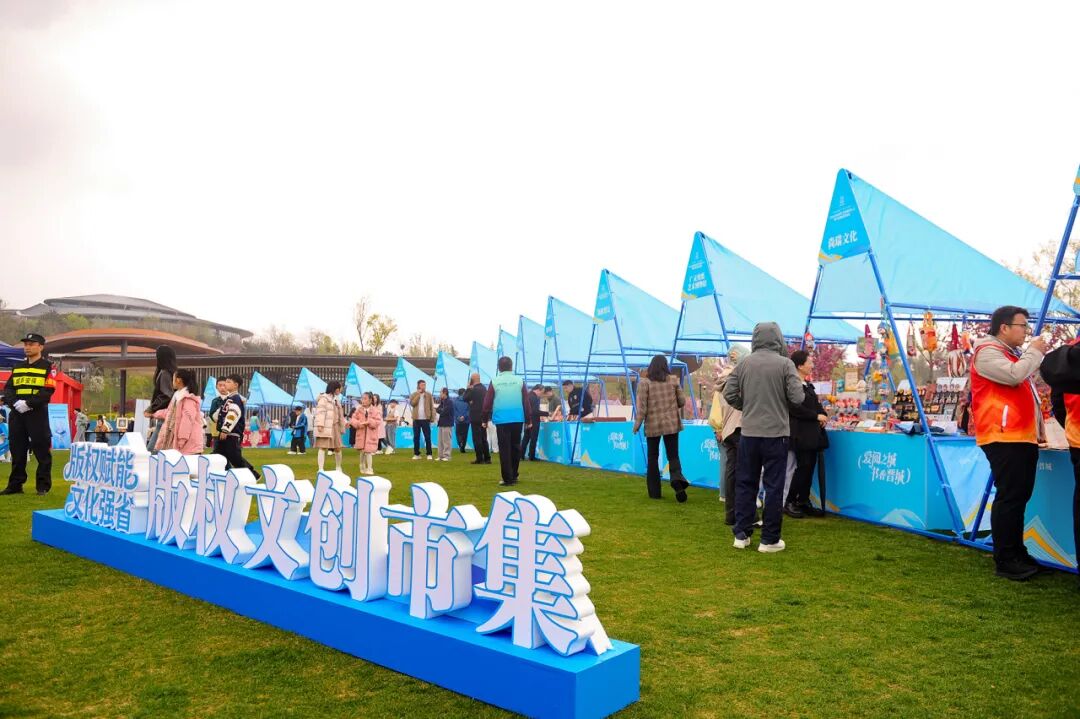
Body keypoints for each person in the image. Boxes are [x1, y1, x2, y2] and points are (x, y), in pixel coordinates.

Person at [970, 306, 1047, 581]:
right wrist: (1034, 352)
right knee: (1010, 496)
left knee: (1018, 496)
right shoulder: (987, 352)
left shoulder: (1010, 353)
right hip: (1003, 434)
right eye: (1022, 325)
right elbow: (1015, 375)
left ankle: (1017, 552)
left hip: (1019, 435)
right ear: (1004, 327)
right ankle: (1005, 558)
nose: (1026, 331)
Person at [722, 322, 805, 553]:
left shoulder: (744, 363)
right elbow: (798, 398)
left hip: (748, 433)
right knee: (773, 486)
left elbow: (729, 393)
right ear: (778, 338)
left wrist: (746, 406)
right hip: (776, 434)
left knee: (745, 484)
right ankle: (769, 540)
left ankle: (741, 535)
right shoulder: (785, 364)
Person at [1, 332, 56, 496]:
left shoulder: (48, 367)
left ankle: (43, 486)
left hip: (37, 413)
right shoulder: (18, 367)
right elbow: (8, 388)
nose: (27, 347)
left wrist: (29, 404)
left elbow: (48, 390)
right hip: (17, 414)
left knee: (42, 450)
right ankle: (15, 485)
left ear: (41, 347)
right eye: (26, 344)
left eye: (31, 344)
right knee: (17, 450)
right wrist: (15, 403)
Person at [633, 355, 689, 502]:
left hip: (653, 424)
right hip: (671, 424)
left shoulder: (644, 383)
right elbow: (682, 401)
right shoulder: (673, 380)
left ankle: (654, 492)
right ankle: (677, 482)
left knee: (653, 457)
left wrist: (637, 424)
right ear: (665, 366)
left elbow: (642, 408)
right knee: (673, 456)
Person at [785, 350, 829, 519]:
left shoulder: (807, 385)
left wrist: (822, 414)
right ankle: (790, 501)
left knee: (809, 467)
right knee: (802, 467)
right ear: (800, 365)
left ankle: (803, 500)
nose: (812, 365)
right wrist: (816, 416)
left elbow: (816, 405)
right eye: (809, 362)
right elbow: (794, 408)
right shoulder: (792, 385)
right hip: (800, 434)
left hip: (812, 434)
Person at [482, 357, 534, 486]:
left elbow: (487, 403)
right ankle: (514, 475)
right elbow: (526, 401)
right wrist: (529, 419)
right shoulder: (520, 381)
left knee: (504, 449)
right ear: (511, 366)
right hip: (517, 418)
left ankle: (507, 478)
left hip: (502, 419)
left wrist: (484, 419)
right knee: (516, 447)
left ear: (499, 367)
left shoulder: (494, 381)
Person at [710, 348, 744, 525]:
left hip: (727, 429)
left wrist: (719, 427)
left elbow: (717, 409)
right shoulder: (738, 380)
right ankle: (745, 512)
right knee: (742, 471)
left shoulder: (722, 382)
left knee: (730, 468)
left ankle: (730, 511)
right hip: (737, 427)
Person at [152, 369, 205, 454]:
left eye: (173, 378)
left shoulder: (188, 399)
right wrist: (154, 414)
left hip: (188, 445)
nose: (171, 381)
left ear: (178, 380)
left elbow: (187, 421)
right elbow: (169, 413)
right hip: (180, 443)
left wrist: (182, 440)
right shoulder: (177, 397)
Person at [144, 345, 177, 452]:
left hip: (164, 416)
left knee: (152, 450)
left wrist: (151, 408)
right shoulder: (172, 373)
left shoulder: (164, 373)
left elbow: (166, 395)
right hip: (170, 415)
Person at [349, 392, 384, 476]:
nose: (363, 400)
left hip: (370, 436)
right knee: (362, 452)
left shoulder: (375, 410)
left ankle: (370, 468)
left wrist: (369, 422)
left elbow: (378, 422)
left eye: (365, 399)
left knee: (368, 452)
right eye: (362, 398)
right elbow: (353, 419)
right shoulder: (358, 410)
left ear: (370, 400)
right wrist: (358, 424)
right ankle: (362, 465)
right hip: (361, 435)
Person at [314, 381, 346, 473]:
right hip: (326, 426)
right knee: (322, 447)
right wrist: (320, 424)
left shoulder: (336, 399)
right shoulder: (324, 399)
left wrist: (342, 425)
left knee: (338, 448)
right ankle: (320, 469)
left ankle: (338, 467)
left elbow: (340, 415)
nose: (340, 390)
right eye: (339, 388)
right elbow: (320, 412)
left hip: (335, 426)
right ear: (335, 388)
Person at [464, 373, 491, 464]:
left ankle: (479, 458)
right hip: (483, 417)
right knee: (484, 438)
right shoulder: (484, 389)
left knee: (477, 439)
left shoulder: (473, 389)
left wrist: (468, 388)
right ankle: (487, 458)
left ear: (472, 380)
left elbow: (465, 398)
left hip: (475, 417)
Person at [409, 379, 434, 460]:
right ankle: (416, 454)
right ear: (418, 386)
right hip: (416, 419)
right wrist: (418, 395)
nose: (424, 386)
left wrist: (432, 417)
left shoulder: (428, 395)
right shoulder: (414, 394)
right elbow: (412, 403)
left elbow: (431, 406)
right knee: (416, 437)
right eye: (422, 385)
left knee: (427, 437)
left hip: (426, 419)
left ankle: (429, 454)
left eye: (424, 385)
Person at [519, 385, 544, 461]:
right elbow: (535, 411)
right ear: (538, 390)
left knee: (526, 438)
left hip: (527, 420)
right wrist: (547, 413)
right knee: (533, 439)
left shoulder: (528, 395)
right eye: (541, 392)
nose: (541, 394)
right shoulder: (534, 397)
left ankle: (521, 455)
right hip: (534, 420)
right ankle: (531, 456)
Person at [435, 388, 455, 461]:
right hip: (441, 423)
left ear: (445, 393)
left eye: (441, 392)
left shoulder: (450, 402)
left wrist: (440, 410)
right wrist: (440, 410)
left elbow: (444, 412)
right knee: (440, 441)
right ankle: (440, 456)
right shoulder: (442, 402)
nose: (440, 394)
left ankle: (447, 456)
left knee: (446, 441)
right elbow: (438, 410)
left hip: (447, 423)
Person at [453, 389, 471, 453]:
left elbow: (454, 411)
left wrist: (458, 417)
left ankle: (460, 443)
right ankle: (462, 446)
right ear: (464, 393)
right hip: (466, 421)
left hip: (458, 421)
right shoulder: (468, 401)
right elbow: (469, 410)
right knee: (465, 434)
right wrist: (464, 416)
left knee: (458, 433)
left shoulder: (455, 401)